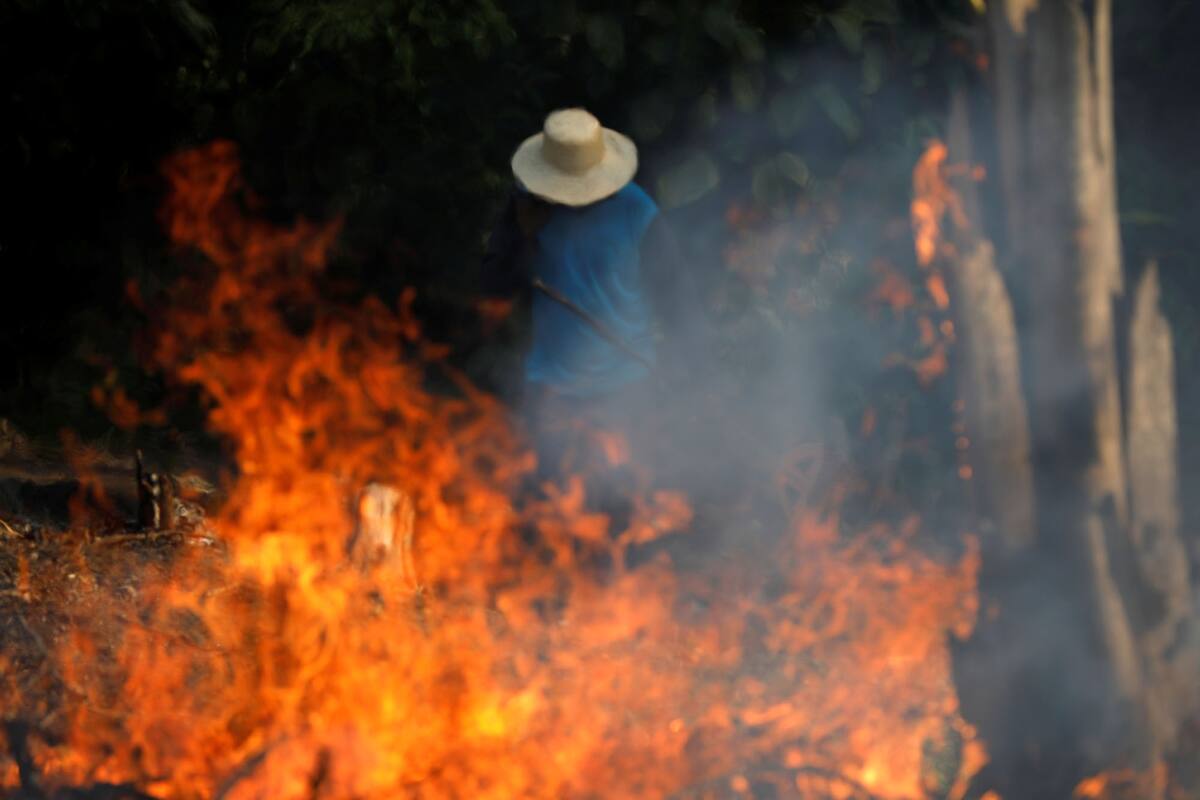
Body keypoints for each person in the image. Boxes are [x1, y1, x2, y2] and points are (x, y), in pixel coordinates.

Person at [481, 108, 702, 489]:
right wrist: (526, 237)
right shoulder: (529, 208)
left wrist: (693, 374)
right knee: (551, 508)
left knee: (617, 507)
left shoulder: (637, 212)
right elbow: (494, 287)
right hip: (552, 390)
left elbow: (678, 299)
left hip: (625, 389)